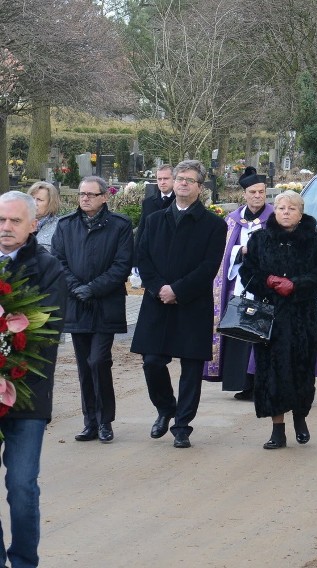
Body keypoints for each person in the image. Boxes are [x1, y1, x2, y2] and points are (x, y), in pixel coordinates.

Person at [131, 160, 227, 448]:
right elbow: (142, 257)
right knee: (152, 362)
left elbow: (209, 266)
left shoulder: (214, 225)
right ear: (172, 183)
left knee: (191, 367)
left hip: (191, 303)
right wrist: (159, 287)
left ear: (200, 187)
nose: (183, 183)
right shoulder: (154, 220)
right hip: (157, 301)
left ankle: (182, 425)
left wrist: (178, 290)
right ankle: (165, 408)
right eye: (179, 178)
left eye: (190, 180)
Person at [0, 191, 65, 568]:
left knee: (21, 487)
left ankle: (24, 561)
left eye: (14, 221)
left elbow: (46, 334)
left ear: (32, 225)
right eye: (1, 220)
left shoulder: (47, 268)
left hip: (25, 394)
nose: (6, 228)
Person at [239, 191, 317, 448]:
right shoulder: (260, 240)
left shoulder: (315, 241)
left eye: (291, 208)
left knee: (301, 368)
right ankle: (277, 429)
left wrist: (296, 285)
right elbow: (248, 272)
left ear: (301, 213)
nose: (286, 212)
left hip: (302, 316)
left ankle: (300, 418)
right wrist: (267, 281)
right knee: (271, 372)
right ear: (274, 211)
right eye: (280, 208)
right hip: (269, 317)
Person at [52, 176, 133, 444]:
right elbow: (59, 261)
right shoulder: (66, 225)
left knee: (98, 361)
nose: (84, 198)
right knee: (84, 366)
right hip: (77, 304)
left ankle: (105, 421)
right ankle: (90, 422)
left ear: (104, 197)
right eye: (81, 194)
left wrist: (94, 288)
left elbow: (122, 265)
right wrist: (77, 288)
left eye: (90, 194)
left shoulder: (120, 226)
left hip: (105, 304)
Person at [203, 167, 274, 401]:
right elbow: (222, 251)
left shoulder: (274, 218)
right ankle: (243, 382)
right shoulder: (233, 221)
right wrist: (241, 251)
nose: (257, 196)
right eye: (253, 192)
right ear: (244, 194)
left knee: (262, 335)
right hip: (238, 286)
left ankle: (262, 384)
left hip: (265, 287)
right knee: (239, 332)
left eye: (261, 192)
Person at [136, 164, 174, 246]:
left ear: (174, 179)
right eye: (159, 179)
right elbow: (141, 231)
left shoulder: (180, 202)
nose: (162, 182)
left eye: (166, 179)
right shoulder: (148, 203)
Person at [27, 181, 60, 253]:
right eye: (32, 198)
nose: (34, 203)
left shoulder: (59, 227)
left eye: (39, 200)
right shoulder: (20, 223)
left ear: (50, 203)